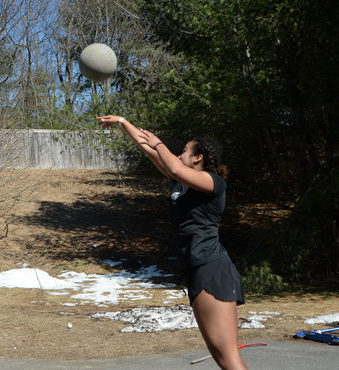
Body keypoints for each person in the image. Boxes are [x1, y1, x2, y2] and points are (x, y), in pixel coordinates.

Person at [96, 115, 247, 370]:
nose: (178, 155)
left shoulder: (213, 182)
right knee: (220, 357)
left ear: (198, 158)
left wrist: (159, 143)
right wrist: (123, 122)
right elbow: (149, 150)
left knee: (228, 356)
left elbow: (172, 164)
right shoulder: (182, 184)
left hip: (212, 269)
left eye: (184, 151)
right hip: (196, 268)